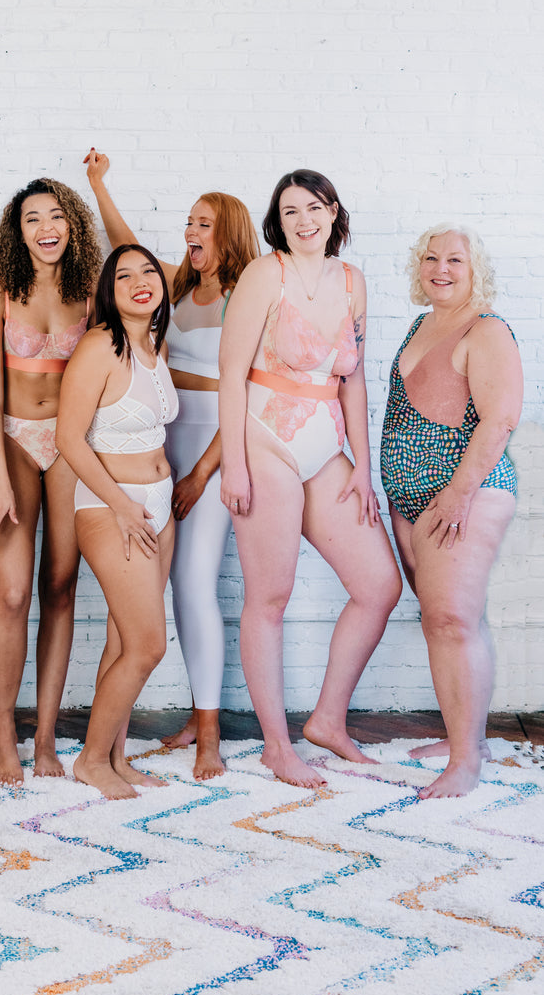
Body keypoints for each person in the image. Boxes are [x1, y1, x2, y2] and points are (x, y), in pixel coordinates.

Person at [218, 171, 402, 788]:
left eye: (314, 207)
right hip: (265, 440)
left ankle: (327, 719)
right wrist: (235, 465)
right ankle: (276, 746)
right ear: (278, 219)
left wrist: (364, 469)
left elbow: (353, 377)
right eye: (290, 209)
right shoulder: (263, 274)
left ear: (333, 213)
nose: (303, 219)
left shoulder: (353, 282)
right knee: (269, 598)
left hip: (326, 446)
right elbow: (230, 373)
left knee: (379, 586)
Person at [85, 149, 259, 779]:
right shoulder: (176, 285)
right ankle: (180, 719)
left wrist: (201, 473)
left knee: (193, 582)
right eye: (188, 223)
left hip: (214, 448)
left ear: (231, 232)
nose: (191, 233)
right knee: (148, 595)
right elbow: (124, 249)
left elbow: (245, 395)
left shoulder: (247, 292)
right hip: (157, 446)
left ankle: (209, 730)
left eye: (203, 224)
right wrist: (98, 184)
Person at [381, 225, 521, 799]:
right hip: (416, 500)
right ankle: (470, 739)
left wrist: (458, 493)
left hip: (463, 495)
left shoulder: (485, 329)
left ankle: (465, 760)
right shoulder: (423, 324)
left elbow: (500, 419)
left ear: (475, 269)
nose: (441, 268)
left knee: (452, 623)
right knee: (455, 619)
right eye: (431, 258)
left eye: (455, 260)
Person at [0, 178, 102, 784]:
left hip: (73, 443)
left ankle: (46, 736)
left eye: (57, 216)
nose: (46, 227)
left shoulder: (92, 289)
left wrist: (102, 187)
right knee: (12, 591)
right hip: (14, 440)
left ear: (73, 224)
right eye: (32, 219)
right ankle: (4, 730)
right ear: (17, 230)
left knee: (60, 586)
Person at [56, 244, 179, 799]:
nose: (139, 282)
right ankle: (89, 760)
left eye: (148, 271)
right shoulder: (100, 346)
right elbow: (68, 438)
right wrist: (125, 505)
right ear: (110, 291)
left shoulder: (155, 344)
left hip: (158, 502)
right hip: (112, 504)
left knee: (122, 640)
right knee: (148, 645)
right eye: (123, 276)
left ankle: (116, 757)